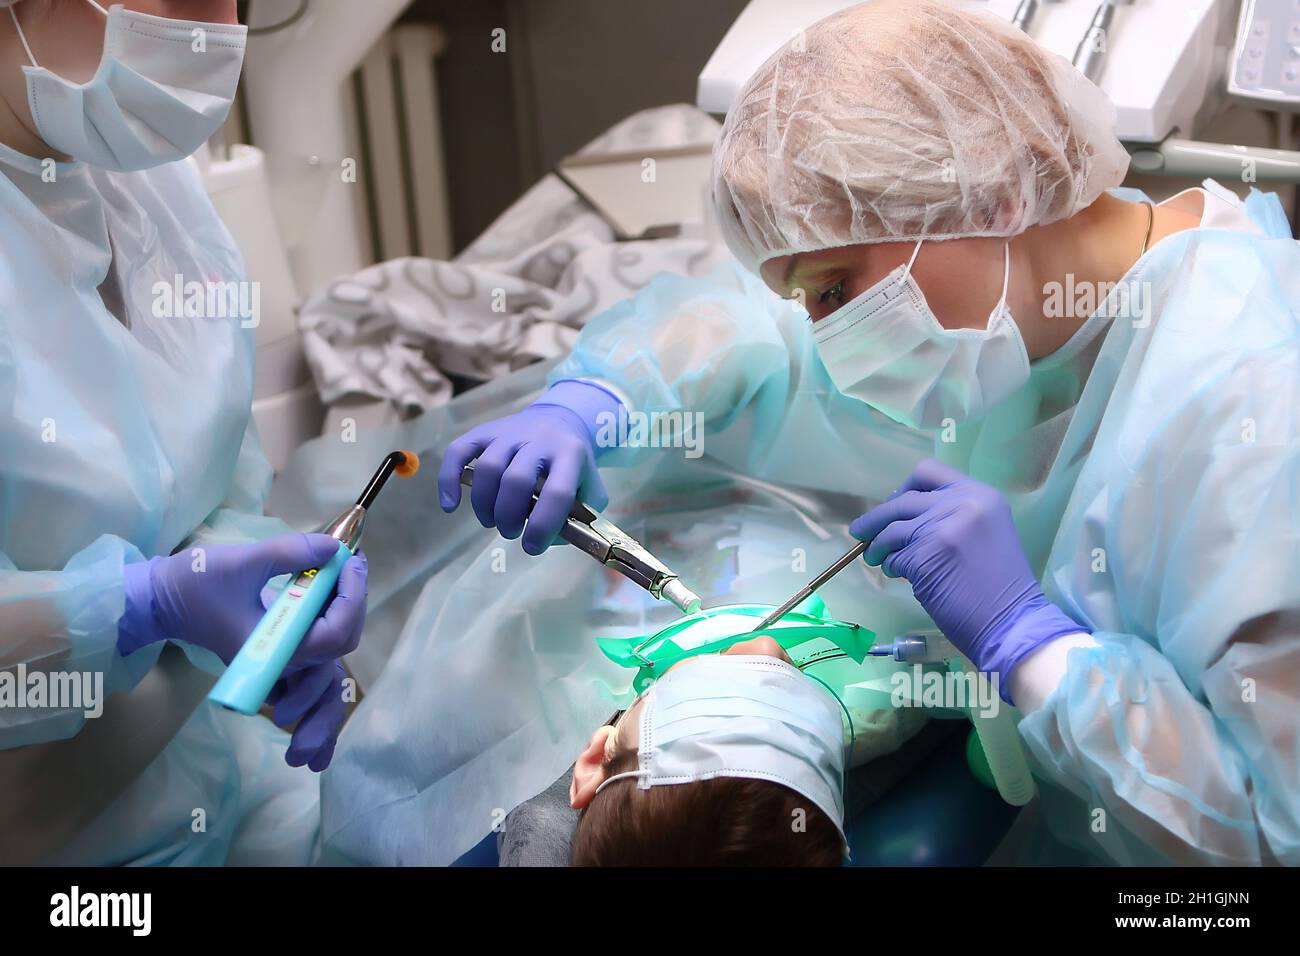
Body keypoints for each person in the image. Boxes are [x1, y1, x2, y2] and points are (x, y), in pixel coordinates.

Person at [439, 0, 1300, 865]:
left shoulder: (1253, 410)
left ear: (993, 195)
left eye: (834, 292)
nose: (825, 338)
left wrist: (1035, 648)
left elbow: (1270, 834)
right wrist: (593, 401)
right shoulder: (1016, 308)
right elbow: (742, 332)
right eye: (802, 298)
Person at [0, 0, 366, 865]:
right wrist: (131, 608)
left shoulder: (146, 175)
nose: (216, 27)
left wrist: (260, 598)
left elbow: (204, 479)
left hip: (209, 785)